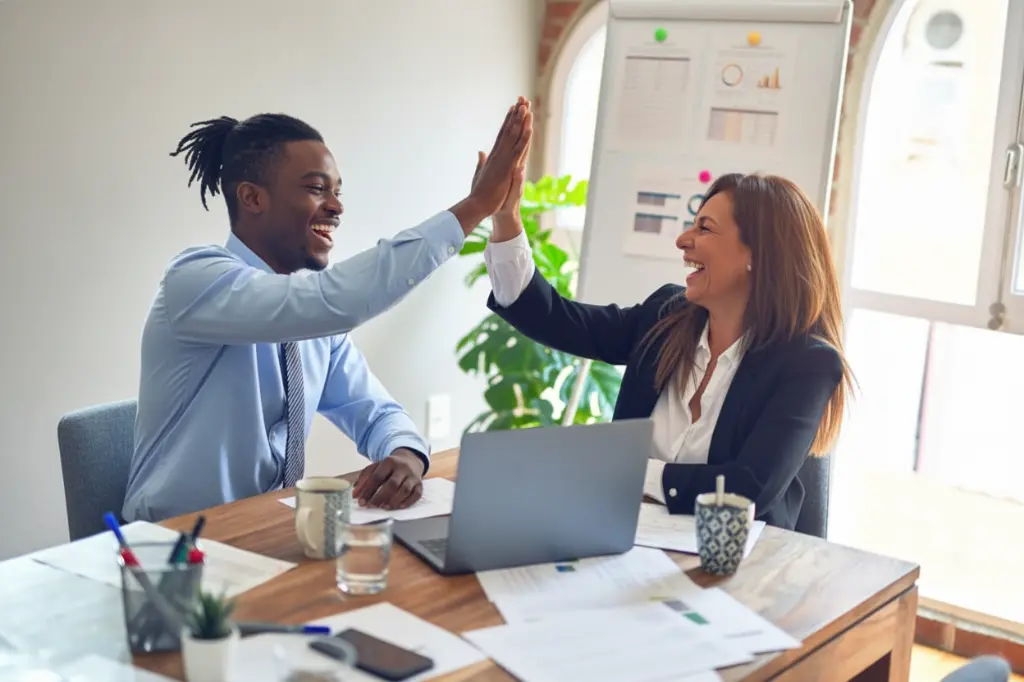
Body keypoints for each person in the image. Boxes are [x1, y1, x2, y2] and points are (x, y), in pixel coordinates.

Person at [122, 100, 533, 523]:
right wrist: (475, 206)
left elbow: (376, 412)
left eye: (337, 191)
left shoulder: (314, 322)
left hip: (264, 533)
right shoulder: (195, 281)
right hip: (170, 546)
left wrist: (406, 455)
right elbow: (332, 301)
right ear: (252, 197)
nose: (336, 207)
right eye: (316, 188)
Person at [480, 157, 852, 530]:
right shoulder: (667, 316)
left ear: (756, 255)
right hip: (627, 542)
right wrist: (506, 218)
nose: (683, 240)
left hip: (736, 565)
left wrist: (633, 472)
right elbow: (558, 320)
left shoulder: (806, 364)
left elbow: (747, 490)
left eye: (704, 229)